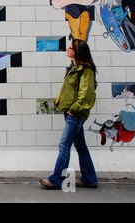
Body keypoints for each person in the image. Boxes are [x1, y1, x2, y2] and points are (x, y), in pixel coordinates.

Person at [40, 39, 98, 189]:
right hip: (71, 113)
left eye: (71, 47)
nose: (68, 48)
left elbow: (86, 94)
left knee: (64, 145)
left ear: (77, 52)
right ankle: (89, 179)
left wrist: (74, 110)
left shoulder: (85, 70)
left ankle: (56, 180)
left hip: (75, 114)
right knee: (81, 146)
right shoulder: (74, 67)